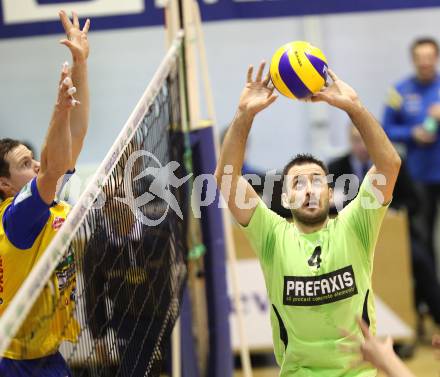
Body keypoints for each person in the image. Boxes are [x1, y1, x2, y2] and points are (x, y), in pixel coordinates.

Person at [215, 62, 401, 376]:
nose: (309, 190)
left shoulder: (355, 225)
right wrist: (245, 115)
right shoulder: (273, 235)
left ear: (331, 193)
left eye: (317, 181)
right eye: (298, 184)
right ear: (285, 199)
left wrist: (353, 107)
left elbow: (388, 165)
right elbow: (228, 180)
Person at [0, 10, 90, 377]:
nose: (35, 165)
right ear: (4, 185)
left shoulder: (49, 202)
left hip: (48, 354)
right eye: (25, 164)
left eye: (33, 159)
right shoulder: (15, 219)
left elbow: (76, 137)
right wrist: (59, 109)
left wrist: (81, 64)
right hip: (13, 361)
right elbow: (53, 167)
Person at [328, 125, 440, 329]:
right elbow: (328, 209)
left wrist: (391, 209)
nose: (361, 146)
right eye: (355, 140)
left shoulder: (392, 165)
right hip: (350, 239)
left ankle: (432, 316)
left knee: (421, 260)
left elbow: (414, 202)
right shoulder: (336, 167)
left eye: (364, 139)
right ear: (349, 142)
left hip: (392, 236)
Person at [383, 37, 440, 268]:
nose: (425, 62)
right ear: (413, 60)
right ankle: (430, 297)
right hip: (418, 177)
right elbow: (385, 129)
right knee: (422, 236)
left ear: (436, 58)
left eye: (429, 57)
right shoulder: (399, 91)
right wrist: (412, 133)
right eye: (420, 58)